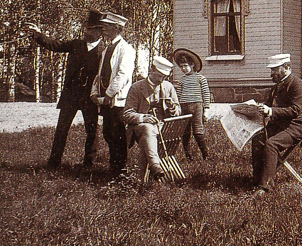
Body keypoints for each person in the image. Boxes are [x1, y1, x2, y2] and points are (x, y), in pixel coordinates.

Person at [27, 9, 106, 170]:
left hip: (90, 97)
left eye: (91, 29)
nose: (86, 32)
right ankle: (53, 163)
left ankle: (89, 164)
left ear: (99, 31)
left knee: (92, 131)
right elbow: (56, 45)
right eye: (86, 28)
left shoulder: (105, 51)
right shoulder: (76, 44)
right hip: (71, 95)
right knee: (61, 129)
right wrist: (38, 35)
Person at [249, 53, 302, 197]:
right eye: (271, 70)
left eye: (275, 69)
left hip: (296, 126)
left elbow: (294, 110)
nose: (272, 73)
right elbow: (269, 105)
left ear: (287, 67)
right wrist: (259, 108)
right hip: (282, 125)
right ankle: (257, 180)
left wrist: (271, 111)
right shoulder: (277, 86)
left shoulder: (298, 85)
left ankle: (266, 187)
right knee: (257, 140)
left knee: (271, 144)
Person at [90, 11, 137, 176]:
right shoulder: (107, 49)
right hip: (105, 99)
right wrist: (94, 93)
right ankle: (114, 165)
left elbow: (123, 76)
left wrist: (109, 95)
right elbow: (100, 74)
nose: (103, 29)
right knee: (108, 133)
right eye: (103, 26)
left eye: (107, 26)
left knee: (118, 134)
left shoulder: (126, 49)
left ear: (116, 28)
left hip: (117, 100)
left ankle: (120, 168)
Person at [123, 54, 181, 182]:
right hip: (141, 127)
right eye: (160, 75)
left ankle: (143, 180)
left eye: (165, 77)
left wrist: (172, 108)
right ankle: (155, 166)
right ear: (151, 70)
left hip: (164, 127)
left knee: (146, 139)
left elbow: (178, 111)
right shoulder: (136, 87)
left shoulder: (168, 87)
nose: (162, 79)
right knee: (148, 129)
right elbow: (127, 114)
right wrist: (143, 117)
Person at [173, 48, 211, 160]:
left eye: (185, 66)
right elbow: (177, 95)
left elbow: (206, 94)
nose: (183, 69)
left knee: (198, 131)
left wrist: (206, 109)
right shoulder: (182, 80)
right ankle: (188, 156)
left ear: (192, 65)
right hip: (184, 107)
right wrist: (177, 107)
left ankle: (205, 154)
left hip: (197, 106)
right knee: (185, 132)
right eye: (181, 67)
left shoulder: (201, 78)